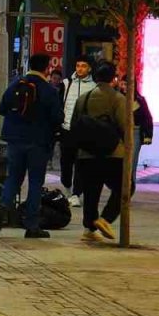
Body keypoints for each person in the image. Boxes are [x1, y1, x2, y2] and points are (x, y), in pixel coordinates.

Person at [0, 53, 63, 238]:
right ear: (46, 68)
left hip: (15, 140)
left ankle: (4, 205)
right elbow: (57, 117)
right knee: (35, 182)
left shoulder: (16, 84)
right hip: (38, 142)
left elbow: (1, 108)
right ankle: (31, 225)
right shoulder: (49, 90)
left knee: (14, 177)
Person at [69, 62, 129, 242]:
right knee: (125, 186)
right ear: (113, 78)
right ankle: (105, 218)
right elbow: (125, 126)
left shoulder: (84, 99)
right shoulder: (118, 99)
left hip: (87, 153)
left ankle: (89, 228)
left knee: (91, 191)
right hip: (112, 153)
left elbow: (74, 125)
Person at [60, 58, 97, 206]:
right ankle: (67, 187)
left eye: (83, 66)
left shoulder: (94, 86)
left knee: (81, 163)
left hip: (85, 131)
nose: (80, 68)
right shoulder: (66, 83)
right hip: (67, 128)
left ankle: (76, 192)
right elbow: (59, 104)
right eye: (78, 65)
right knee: (66, 162)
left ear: (89, 69)